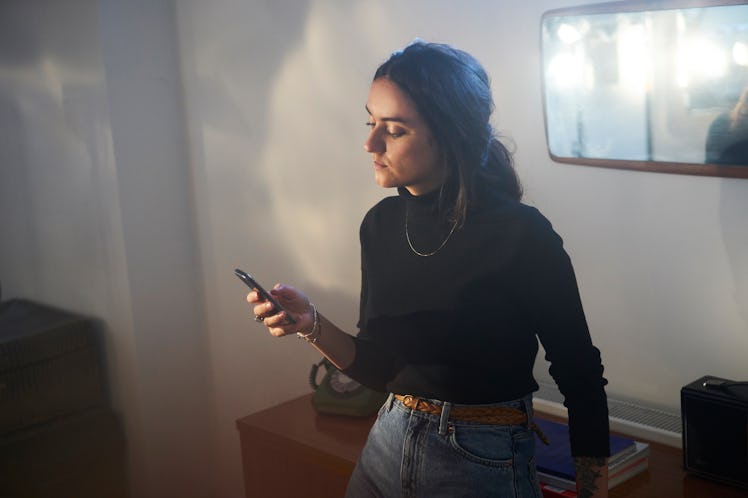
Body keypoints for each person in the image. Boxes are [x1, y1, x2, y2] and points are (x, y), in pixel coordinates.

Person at [248, 41, 610, 498]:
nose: (370, 143)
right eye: (370, 122)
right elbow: (380, 365)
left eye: (394, 130)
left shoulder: (522, 235)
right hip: (387, 440)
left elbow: (579, 373)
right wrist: (309, 324)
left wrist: (594, 490)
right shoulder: (380, 225)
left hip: (481, 456)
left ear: (450, 134)